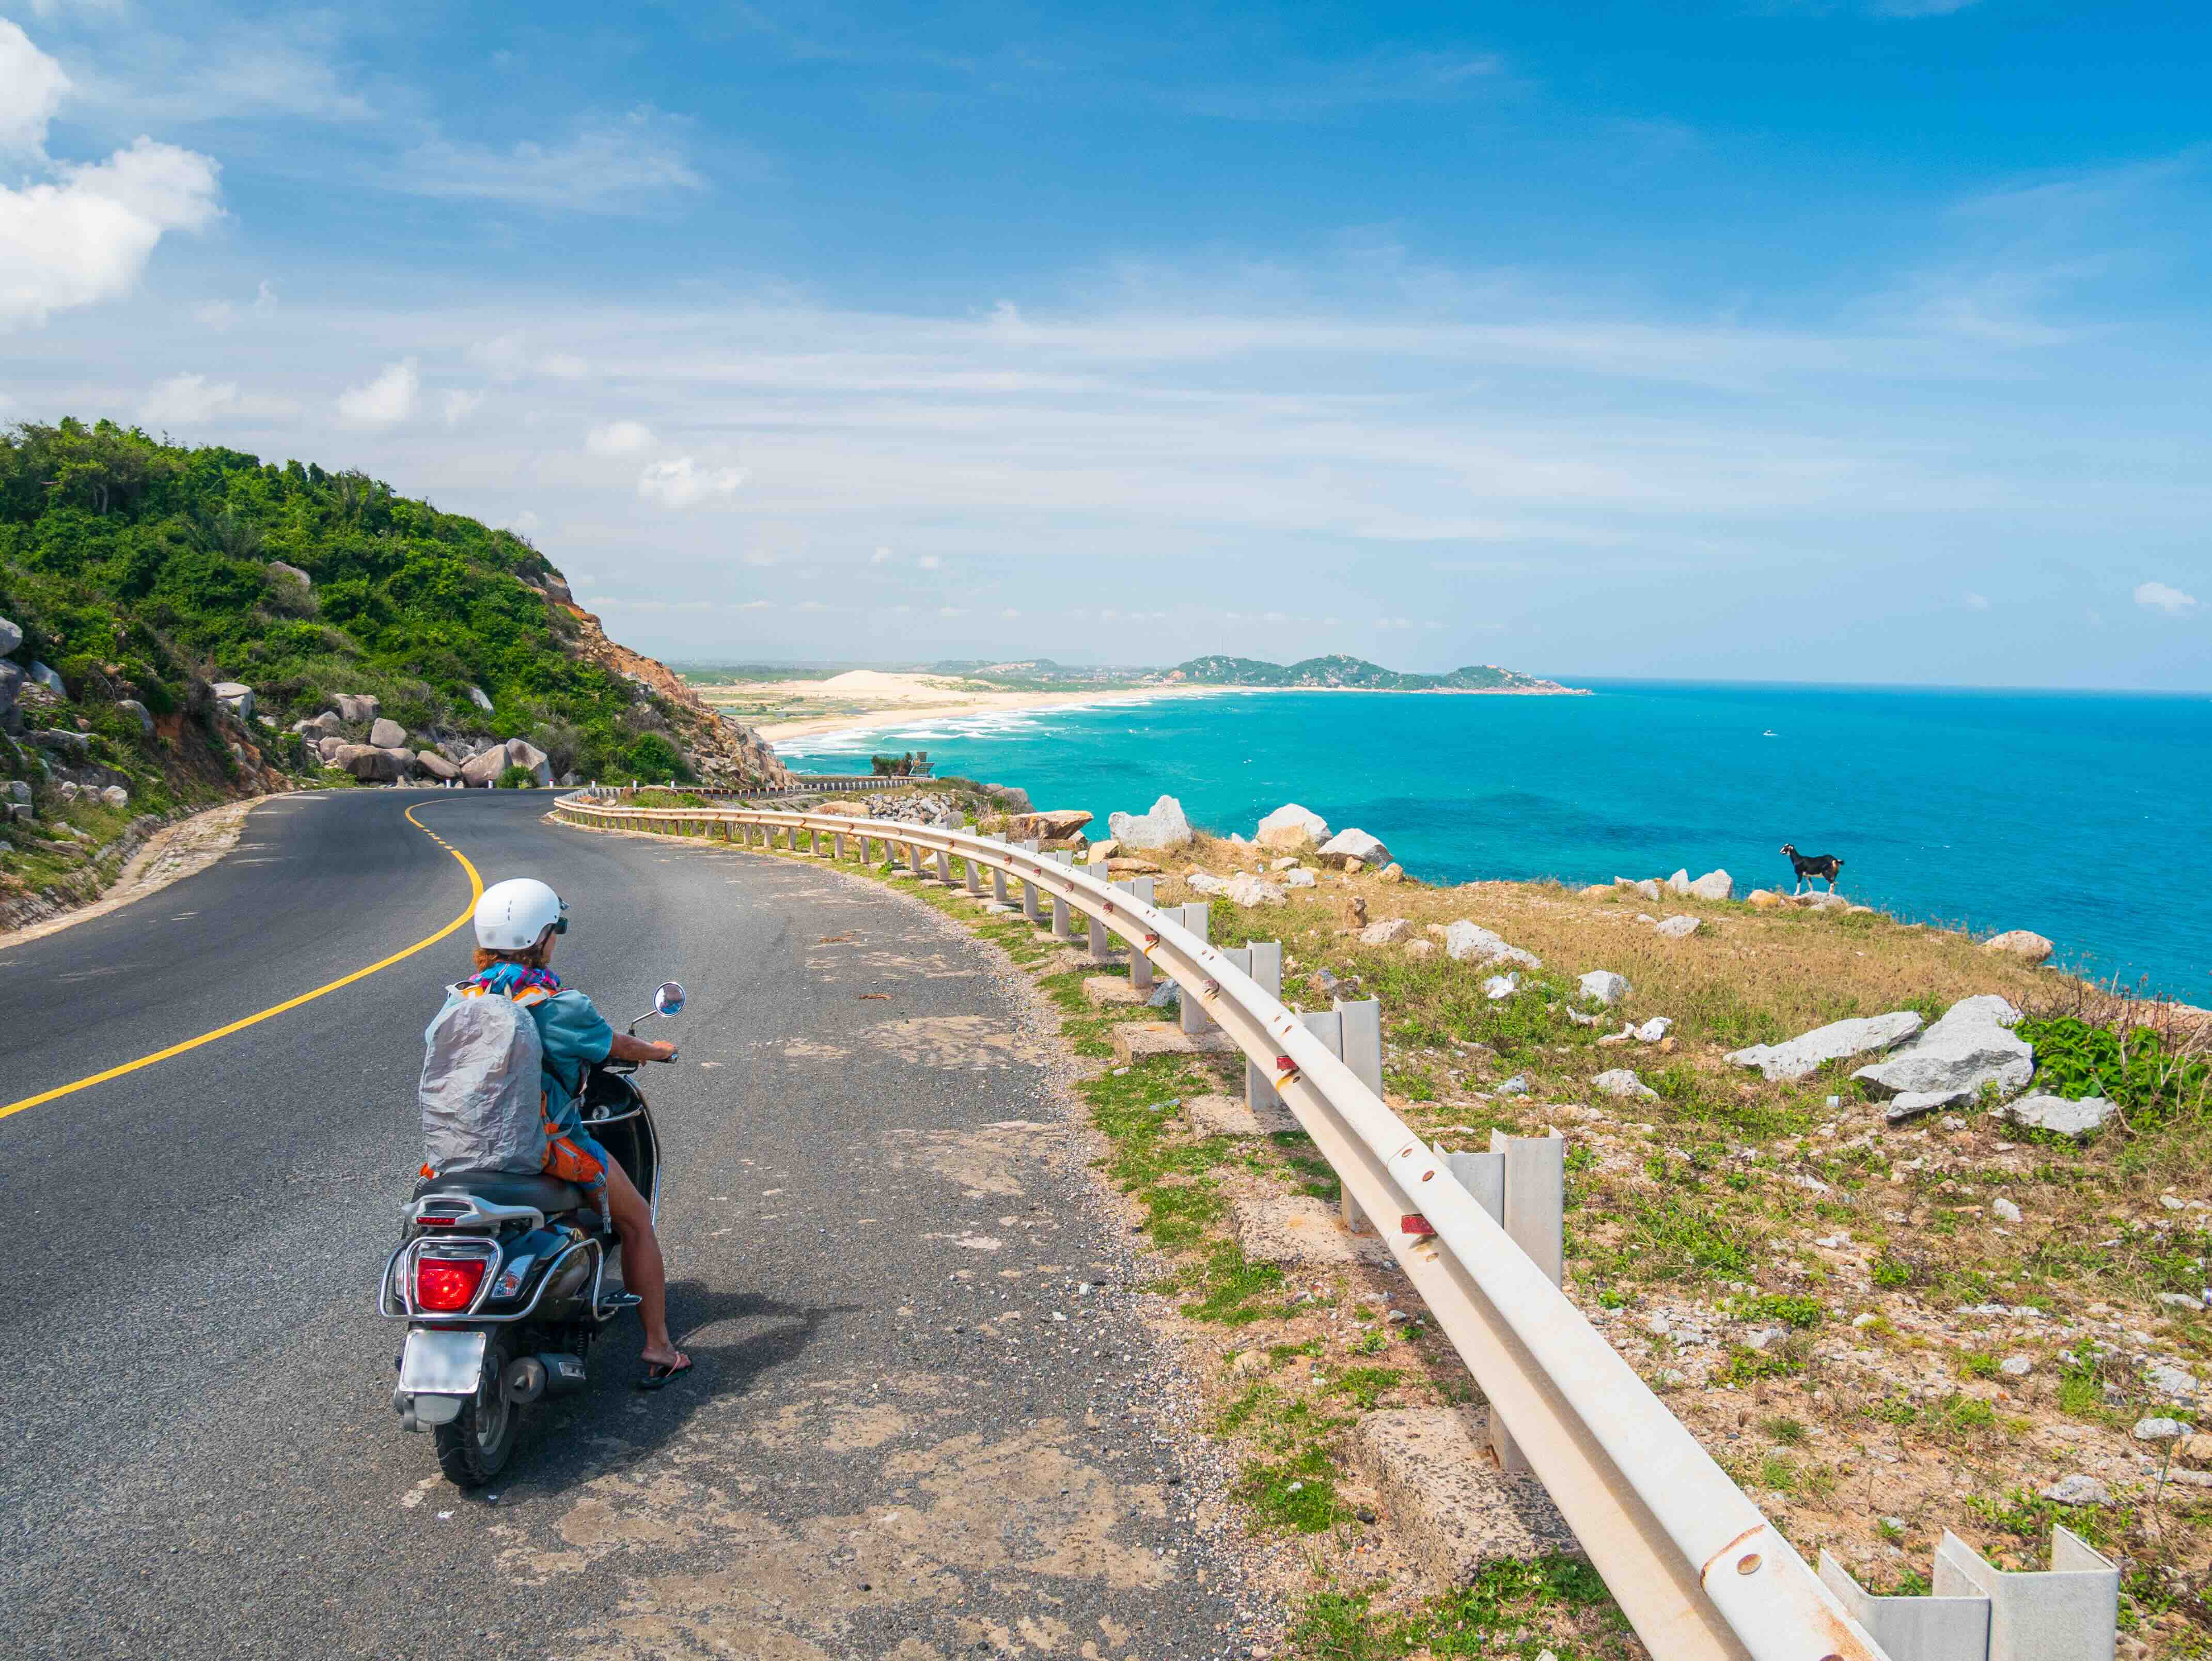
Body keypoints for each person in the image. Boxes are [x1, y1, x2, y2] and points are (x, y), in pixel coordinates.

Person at [432, 876, 692, 1388]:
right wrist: (660, 1051)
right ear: (542, 938)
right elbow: (613, 1044)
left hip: (463, 1151)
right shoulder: (556, 1005)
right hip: (545, 1148)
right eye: (556, 931)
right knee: (636, 1220)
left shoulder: (458, 1001)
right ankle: (659, 1347)